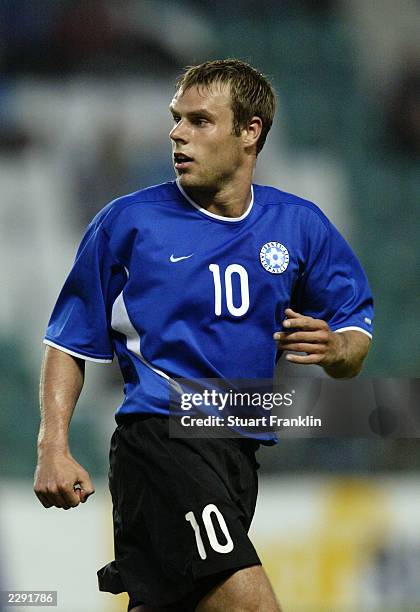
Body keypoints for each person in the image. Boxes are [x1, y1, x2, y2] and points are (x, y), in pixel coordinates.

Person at [34, 59, 373, 612]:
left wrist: (337, 349)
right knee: (252, 606)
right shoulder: (128, 222)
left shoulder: (300, 225)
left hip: (239, 454)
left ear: (250, 133)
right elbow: (68, 341)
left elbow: (355, 334)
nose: (176, 133)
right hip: (161, 441)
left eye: (199, 121)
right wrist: (53, 446)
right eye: (176, 119)